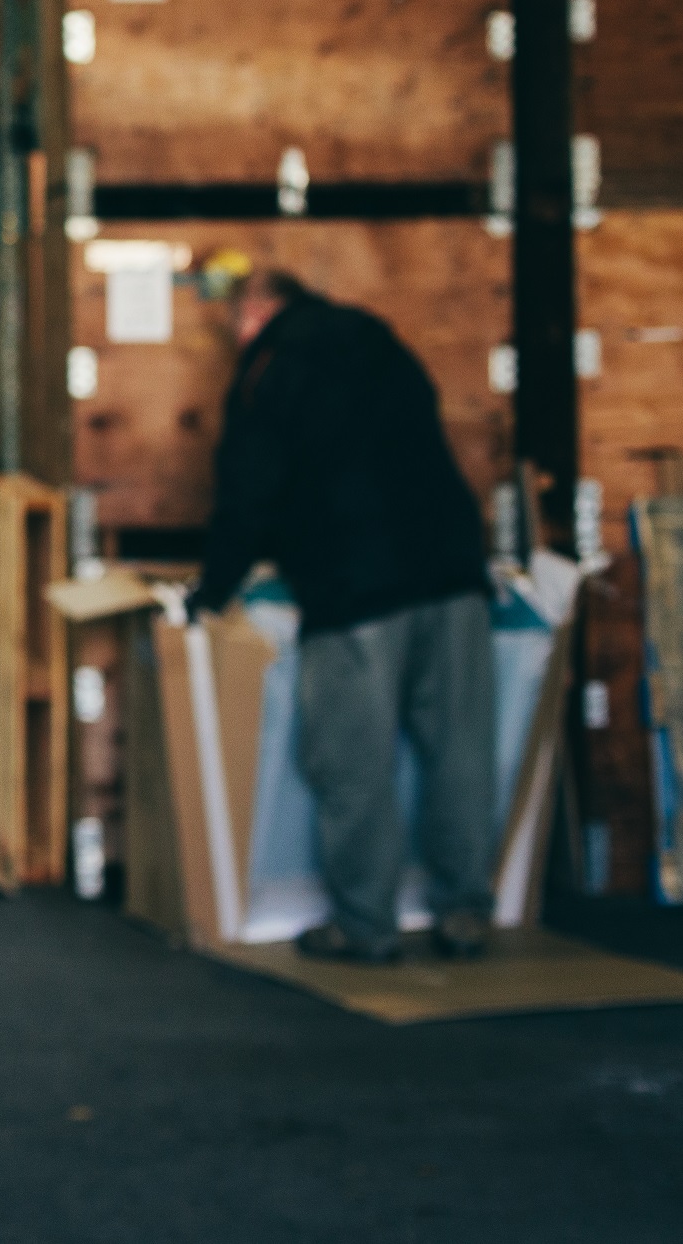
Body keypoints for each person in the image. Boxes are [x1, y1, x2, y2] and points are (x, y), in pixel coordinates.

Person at [190, 268, 495, 966]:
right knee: (458, 747)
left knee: (351, 758)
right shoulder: (376, 339)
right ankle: (465, 911)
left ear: (252, 315)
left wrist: (209, 592)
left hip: (354, 583)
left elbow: (247, 490)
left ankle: (365, 925)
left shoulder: (270, 367)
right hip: (452, 565)